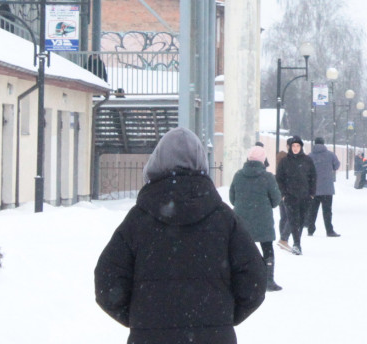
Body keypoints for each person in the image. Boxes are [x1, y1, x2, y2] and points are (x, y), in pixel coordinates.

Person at [95, 127, 266, 343]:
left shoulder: (138, 220)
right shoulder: (224, 219)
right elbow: (254, 281)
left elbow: (107, 282)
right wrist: (223, 317)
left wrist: (140, 318)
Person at [230, 144, 283, 292]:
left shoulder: (238, 175)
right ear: (263, 160)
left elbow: (232, 198)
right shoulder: (268, 177)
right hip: (263, 221)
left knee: (242, 250)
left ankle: (241, 280)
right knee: (267, 249)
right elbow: (276, 200)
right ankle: (268, 280)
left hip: (241, 221)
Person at [275, 135, 316, 256]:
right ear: (290, 147)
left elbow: (313, 177)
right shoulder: (285, 161)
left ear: (301, 147)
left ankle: (297, 242)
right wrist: (283, 194)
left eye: (298, 146)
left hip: (305, 196)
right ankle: (297, 244)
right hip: (290, 196)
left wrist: (312, 194)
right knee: (293, 219)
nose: (295, 148)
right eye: (293, 146)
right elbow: (279, 179)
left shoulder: (307, 160)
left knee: (301, 220)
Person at [305, 137, 341, 237]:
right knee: (327, 211)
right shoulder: (330, 155)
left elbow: (305, 170)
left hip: (314, 188)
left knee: (313, 211)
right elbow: (337, 165)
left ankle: (310, 229)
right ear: (323, 143)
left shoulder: (310, 156)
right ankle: (329, 230)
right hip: (327, 188)